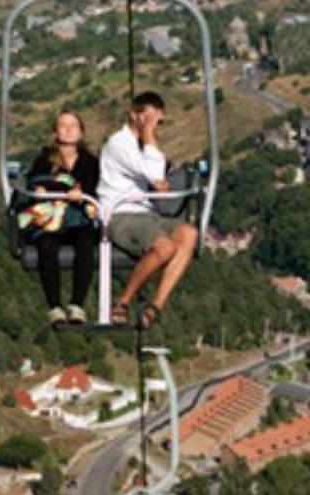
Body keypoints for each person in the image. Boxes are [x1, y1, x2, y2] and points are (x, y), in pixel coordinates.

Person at [97, 91, 200, 329]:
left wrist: (150, 144)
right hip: (120, 213)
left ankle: (155, 306)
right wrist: (148, 134)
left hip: (146, 214)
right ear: (135, 116)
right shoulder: (119, 145)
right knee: (165, 247)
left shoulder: (143, 149)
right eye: (150, 119)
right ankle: (123, 302)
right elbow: (156, 177)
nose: (155, 127)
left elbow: (160, 181)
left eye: (158, 122)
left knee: (189, 234)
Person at [17, 109, 101, 328]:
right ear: (55, 132)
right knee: (47, 244)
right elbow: (37, 183)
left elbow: (92, 188)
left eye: (73, 126)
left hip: (77, 217)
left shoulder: (90, 162)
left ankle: (77, 304)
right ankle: (54, 306)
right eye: (63, 126)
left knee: (85, 243)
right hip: (52, 218)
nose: (68, 130)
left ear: (81, 132)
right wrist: (65, 190)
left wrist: (73, 193)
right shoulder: (45, 159)